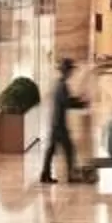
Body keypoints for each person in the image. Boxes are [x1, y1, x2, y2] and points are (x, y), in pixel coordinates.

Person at [38, 56, 87, 185]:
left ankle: (45, 174)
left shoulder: (59, 84)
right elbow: (67, 102)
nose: (71, 73)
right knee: (69, 149)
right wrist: (81, 103)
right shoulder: (62, 86)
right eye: (70, 70)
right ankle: (71, 175)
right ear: (67, 71)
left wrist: (79, 101)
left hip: (56, 122)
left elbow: (67, 101)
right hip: (59, 124)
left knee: (52, 149)